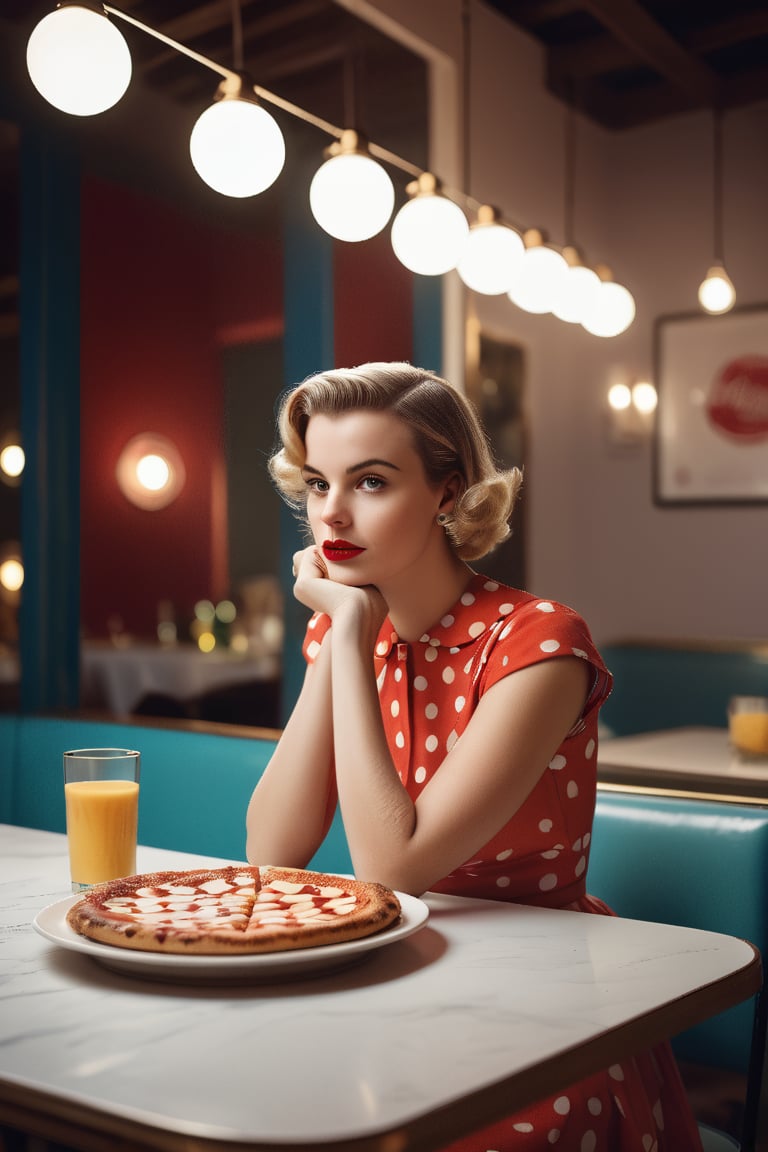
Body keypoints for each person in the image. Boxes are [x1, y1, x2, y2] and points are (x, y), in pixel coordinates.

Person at [245, 361, 702, 1152]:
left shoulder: (541, 643)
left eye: (373, 483)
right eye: (318, 484)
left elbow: (392, 866)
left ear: (449, 494)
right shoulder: (349, 630)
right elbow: (271, 849)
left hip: (543, 1009)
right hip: (387, 983)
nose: (334, 515)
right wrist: (346, 636)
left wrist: (347, 634)